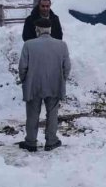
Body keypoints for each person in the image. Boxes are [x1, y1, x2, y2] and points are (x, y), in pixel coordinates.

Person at [18, 18, 71, 152]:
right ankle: (51, 141)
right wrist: (62, 79)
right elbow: (67, 67)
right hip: (54, 84)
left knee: (32, 114)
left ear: (37, 29)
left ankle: (30, 142)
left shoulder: (28, 45)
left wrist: (24, 80)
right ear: (50, 29)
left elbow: (22, 67)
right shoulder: (62, 45)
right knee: (52, 113)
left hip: (33, 85)